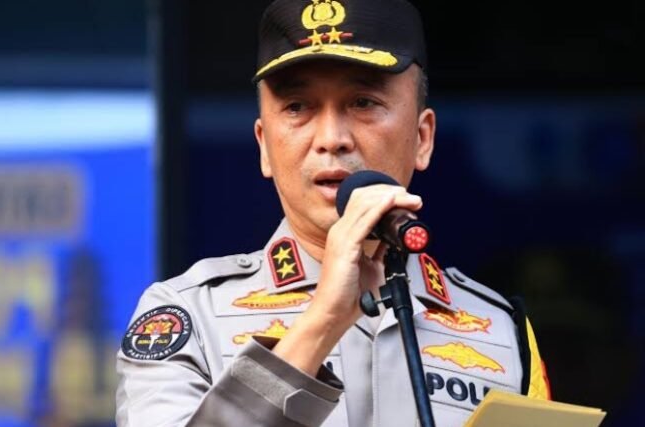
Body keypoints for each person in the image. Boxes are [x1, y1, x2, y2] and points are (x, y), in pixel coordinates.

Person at [116, 0, 551, 426]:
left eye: (363, 102)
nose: (331, 138)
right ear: (264, 145)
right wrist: (324, 319)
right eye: (297, 107)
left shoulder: (500, 330)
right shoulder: (188, 316)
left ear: (423, 138)